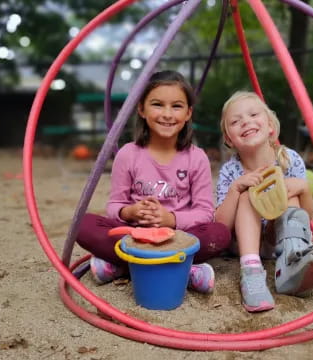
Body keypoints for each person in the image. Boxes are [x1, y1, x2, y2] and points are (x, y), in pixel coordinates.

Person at [76, 70, 231, 294]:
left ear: (188, 113)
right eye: (157, 104)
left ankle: (124, 265)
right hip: (134, 234)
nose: (167, 114)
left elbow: (205, 211)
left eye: (176, 106)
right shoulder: (128, 154)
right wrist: (131, 212)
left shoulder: (196, 157)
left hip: (177, 237)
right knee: (83, 224)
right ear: (141, 109)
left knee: (219, 233)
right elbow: (114, 206)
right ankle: (181, 269)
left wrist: (170, 219)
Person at [215, 91, 313, 312]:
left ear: (270, 126)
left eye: (253, 114)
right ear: (228, 139)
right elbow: (220, 227)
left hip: (281, 239)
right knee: (249, 194)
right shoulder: (230, 170)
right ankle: (251, 272)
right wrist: (236, 189)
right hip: (244, 243)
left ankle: (295, 260)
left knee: (290, 192)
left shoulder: (289, 159)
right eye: (235, 121)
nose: (246, 121)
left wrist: (303, 189)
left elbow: (307, 216)